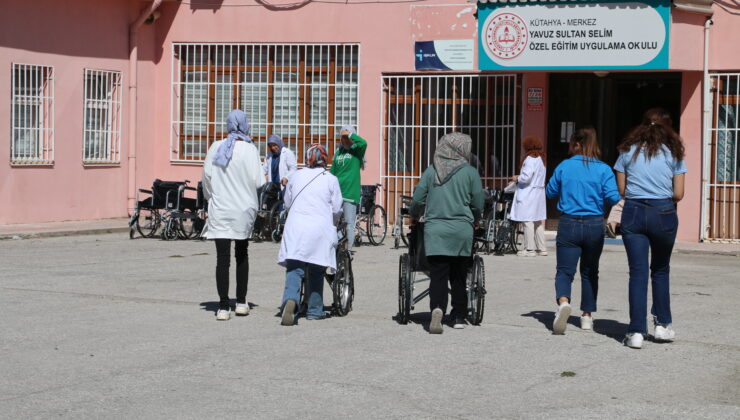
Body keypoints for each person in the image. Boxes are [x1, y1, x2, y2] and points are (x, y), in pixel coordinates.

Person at [615, 108, 686, 349]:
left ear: (642, 126)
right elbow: (679, 193)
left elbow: (622, 191)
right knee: (661, 269)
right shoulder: (674, 153)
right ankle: (663, 326)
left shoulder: (627, 151)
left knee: (637, 272)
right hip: (663, 212)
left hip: (634, 211)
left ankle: (635, 332)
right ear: (666, 127)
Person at [545, 127, 621, 334]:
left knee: (564, 270)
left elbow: (550, 191)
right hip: (594, 224)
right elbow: (614, 198)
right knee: (589, 272)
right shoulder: (604, 169)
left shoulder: (564, 166)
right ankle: (587, 316)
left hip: (569, 222)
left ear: (577, 144)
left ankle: (563, 303)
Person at [410, 132, 484, 334]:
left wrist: (414, 215)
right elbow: (478, 202)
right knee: (459, 275)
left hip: (436, 231)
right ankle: (459, 315)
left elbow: (417, 200)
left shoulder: (431, 171)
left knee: (438, 274)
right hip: (462, 230)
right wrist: (476, 217)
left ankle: (437, 308)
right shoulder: (470, 173)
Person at [202, 109, 265, 321]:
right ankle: (241, 302)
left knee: (222, 259)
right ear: (245, 125)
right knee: (241, 255)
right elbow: (259, 181)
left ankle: (222, 307)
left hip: (220, 209)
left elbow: (207, 179)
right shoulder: (249, 149)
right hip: (242, 209)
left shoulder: (215, 147)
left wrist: (213, 199)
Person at [278, 144, 344, 326]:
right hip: (319, 227)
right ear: (325, 159)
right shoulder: (331, 179)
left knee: (295, 267)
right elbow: (337, 208)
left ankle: (290, 300)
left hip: (296, 226)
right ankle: (315, 310)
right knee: (316, 269)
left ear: (308, 158)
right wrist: (333, 222)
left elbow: (288, 202)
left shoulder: (296, 176)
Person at [330, 126, 367, 250]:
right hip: (337, 193)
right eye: (342, 138)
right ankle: (339, 245)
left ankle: (348, 251)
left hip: (350, 193)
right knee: (332, 222)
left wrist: (350, 135)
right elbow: (332, 172)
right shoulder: (338, 152)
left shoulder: (356, 151)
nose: (344, 140)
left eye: (346, 138)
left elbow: (363, 143)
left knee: (349, 224)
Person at [510, 136, 548, 257]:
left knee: (527, 220)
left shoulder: (530, 159)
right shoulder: (542, 159)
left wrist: (517, 178)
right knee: (537, 221)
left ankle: (529, 249)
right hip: (539, 193)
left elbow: (526, 178)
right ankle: (542, 249)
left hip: (529, 192)